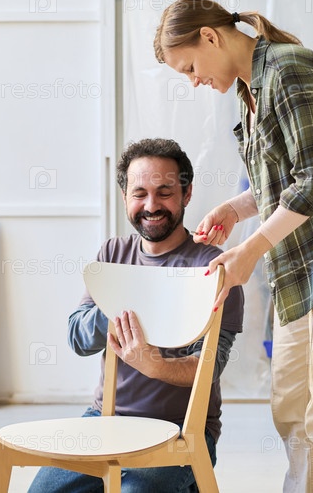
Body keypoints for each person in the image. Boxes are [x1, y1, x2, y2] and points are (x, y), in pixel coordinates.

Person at [154, 0, 313, 492]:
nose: (193, 81)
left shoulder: (289, 71)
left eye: (188, 68)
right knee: (292, 404)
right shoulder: (248, 89)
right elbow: (280, 181)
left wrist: (249, 251)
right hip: (300, 261)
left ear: (209, 37)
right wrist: (234, 210)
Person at [28, 138, 245, 493]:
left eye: (165, 192)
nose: (151, 205)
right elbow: (78, 339)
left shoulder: (214, 268)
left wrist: (154, 364)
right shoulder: (113, 254)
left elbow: (211, 366)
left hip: (180, 428)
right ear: (125, 196)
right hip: (105, 419)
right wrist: (122, 298)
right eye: (139, 193)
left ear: (187, 194)